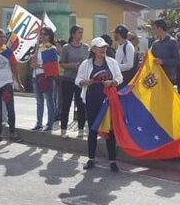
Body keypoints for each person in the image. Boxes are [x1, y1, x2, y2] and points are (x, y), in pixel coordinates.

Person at [76, 37, 123, 172]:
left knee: (110, 130)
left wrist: (112, 82)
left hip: (108, 100)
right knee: (92, 129)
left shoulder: (112, 62)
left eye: (105, 47)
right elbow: (77, 80)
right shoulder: (86, 64)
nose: (103, 49)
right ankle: (91, 158)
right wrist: (84, 82)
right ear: (94, 49)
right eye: (100, 47)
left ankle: (112, 161)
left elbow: (120, 78)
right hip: (92, 99)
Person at [59, 25, 89, 138]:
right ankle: (63, 129)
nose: (81, 35)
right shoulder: (66, 48)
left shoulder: (86, 47)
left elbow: (89, 63)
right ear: (73, 34)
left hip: (80, 81)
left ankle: (81, 129)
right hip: (68, 79)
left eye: (82, 32)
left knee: (81, 104)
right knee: (66, 104)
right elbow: (61, 63)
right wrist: (71, 65)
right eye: (79, 32)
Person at [31, 27, 59, 132]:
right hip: (35, 76)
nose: (42, 36)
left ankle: (50, 124)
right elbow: (34, 63)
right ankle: (39, 123)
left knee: (49, 100)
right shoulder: (38, 47)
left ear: (50, 36)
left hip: (46, 77)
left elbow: (53, 66)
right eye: (41, 34)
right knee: (39, 101)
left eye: (45, 34)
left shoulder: (51, 48)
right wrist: (33, 63)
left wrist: (39, 65)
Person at [150, 19, 180, 83]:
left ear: (160, 29)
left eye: (154, 29)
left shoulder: (172, 42)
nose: (154, 31)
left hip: (168, 78)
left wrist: (162, 61)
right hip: (156, 78)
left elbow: (177, 60)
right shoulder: (155, 43)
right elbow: (151, 57)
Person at [114, 25, 137, 89]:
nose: (114, 35)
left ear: (119, 34)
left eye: (115, 33)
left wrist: (116, 67)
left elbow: (130, 65)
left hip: (125, 80)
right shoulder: (120, 46)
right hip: (119, 78)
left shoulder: (128, 46)